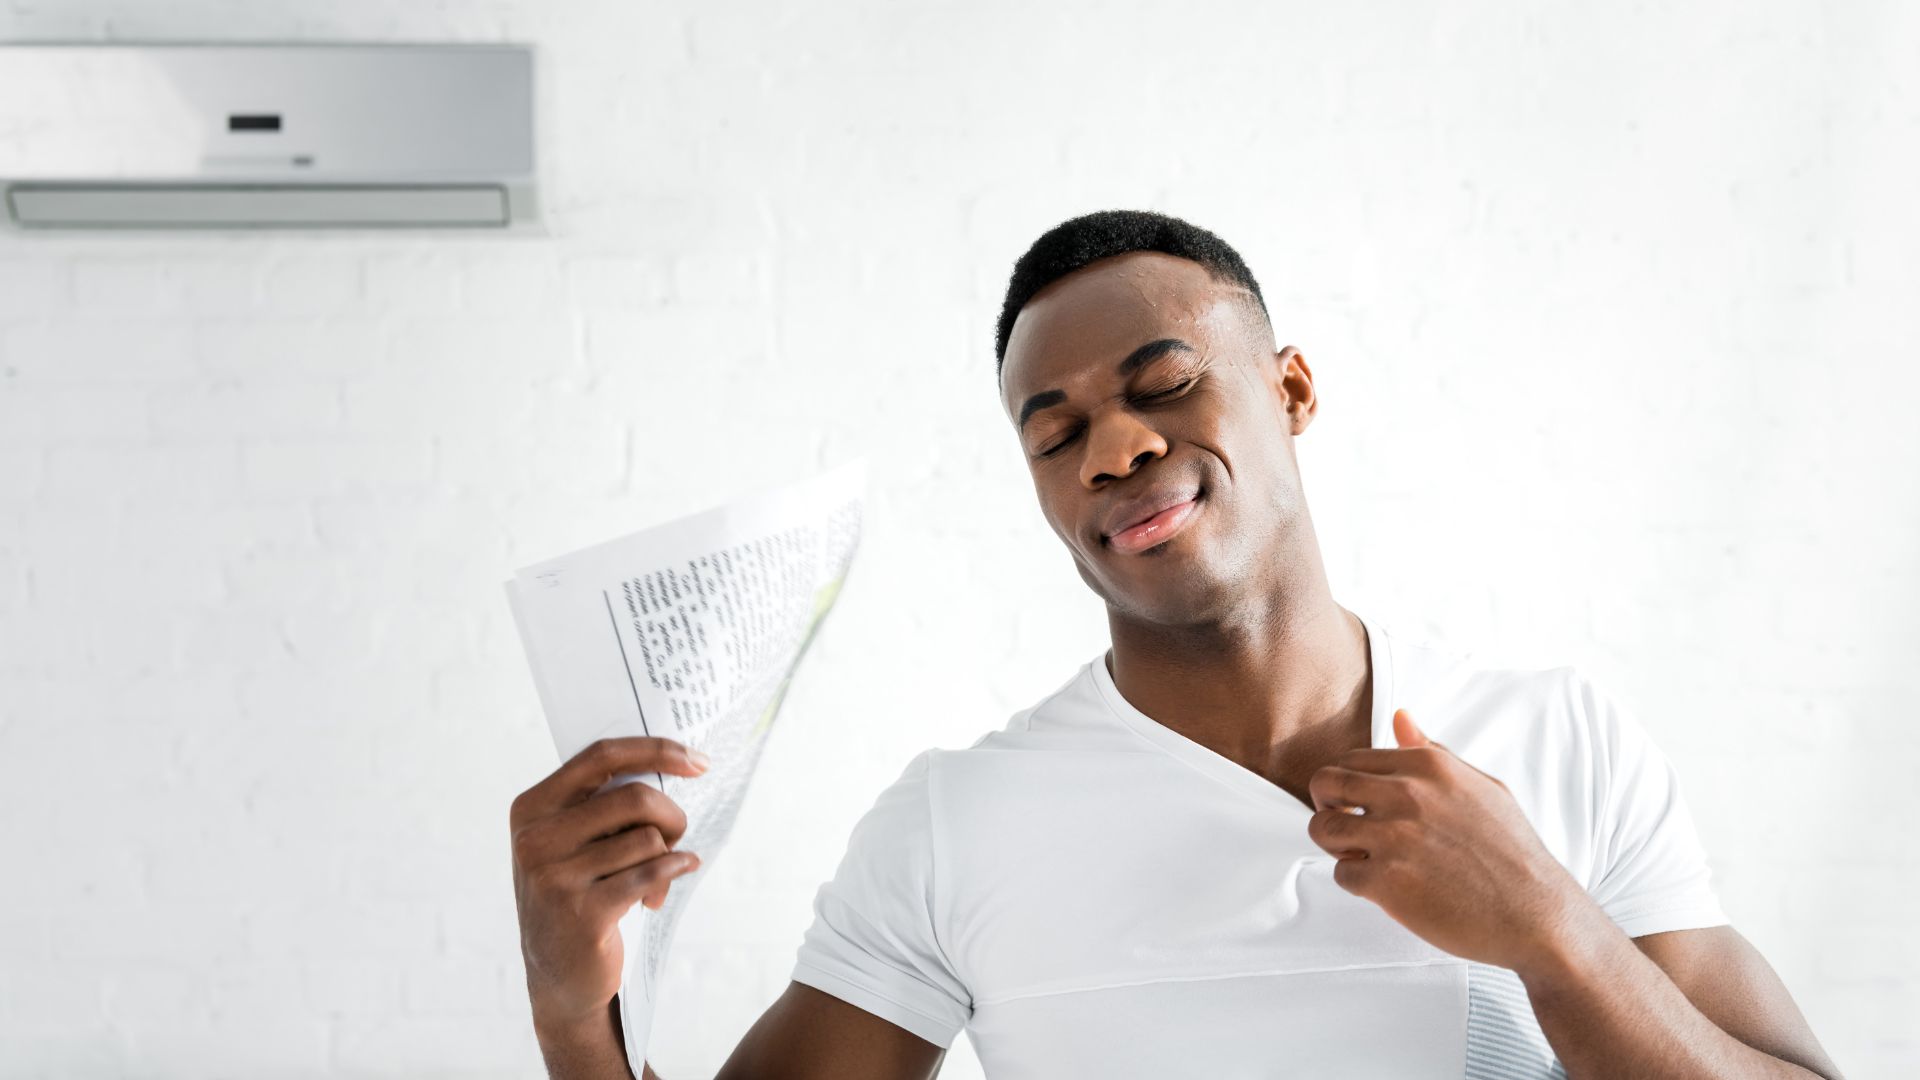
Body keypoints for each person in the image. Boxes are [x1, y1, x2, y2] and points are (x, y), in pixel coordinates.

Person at [511, 210, 1844, 1080]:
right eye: (1055, 432)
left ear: (1292, 389)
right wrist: (579, 1014)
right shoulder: (954, 826)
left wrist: (1553, 929)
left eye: (1163, 387)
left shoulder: (1559, 738)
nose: (1117, 448)